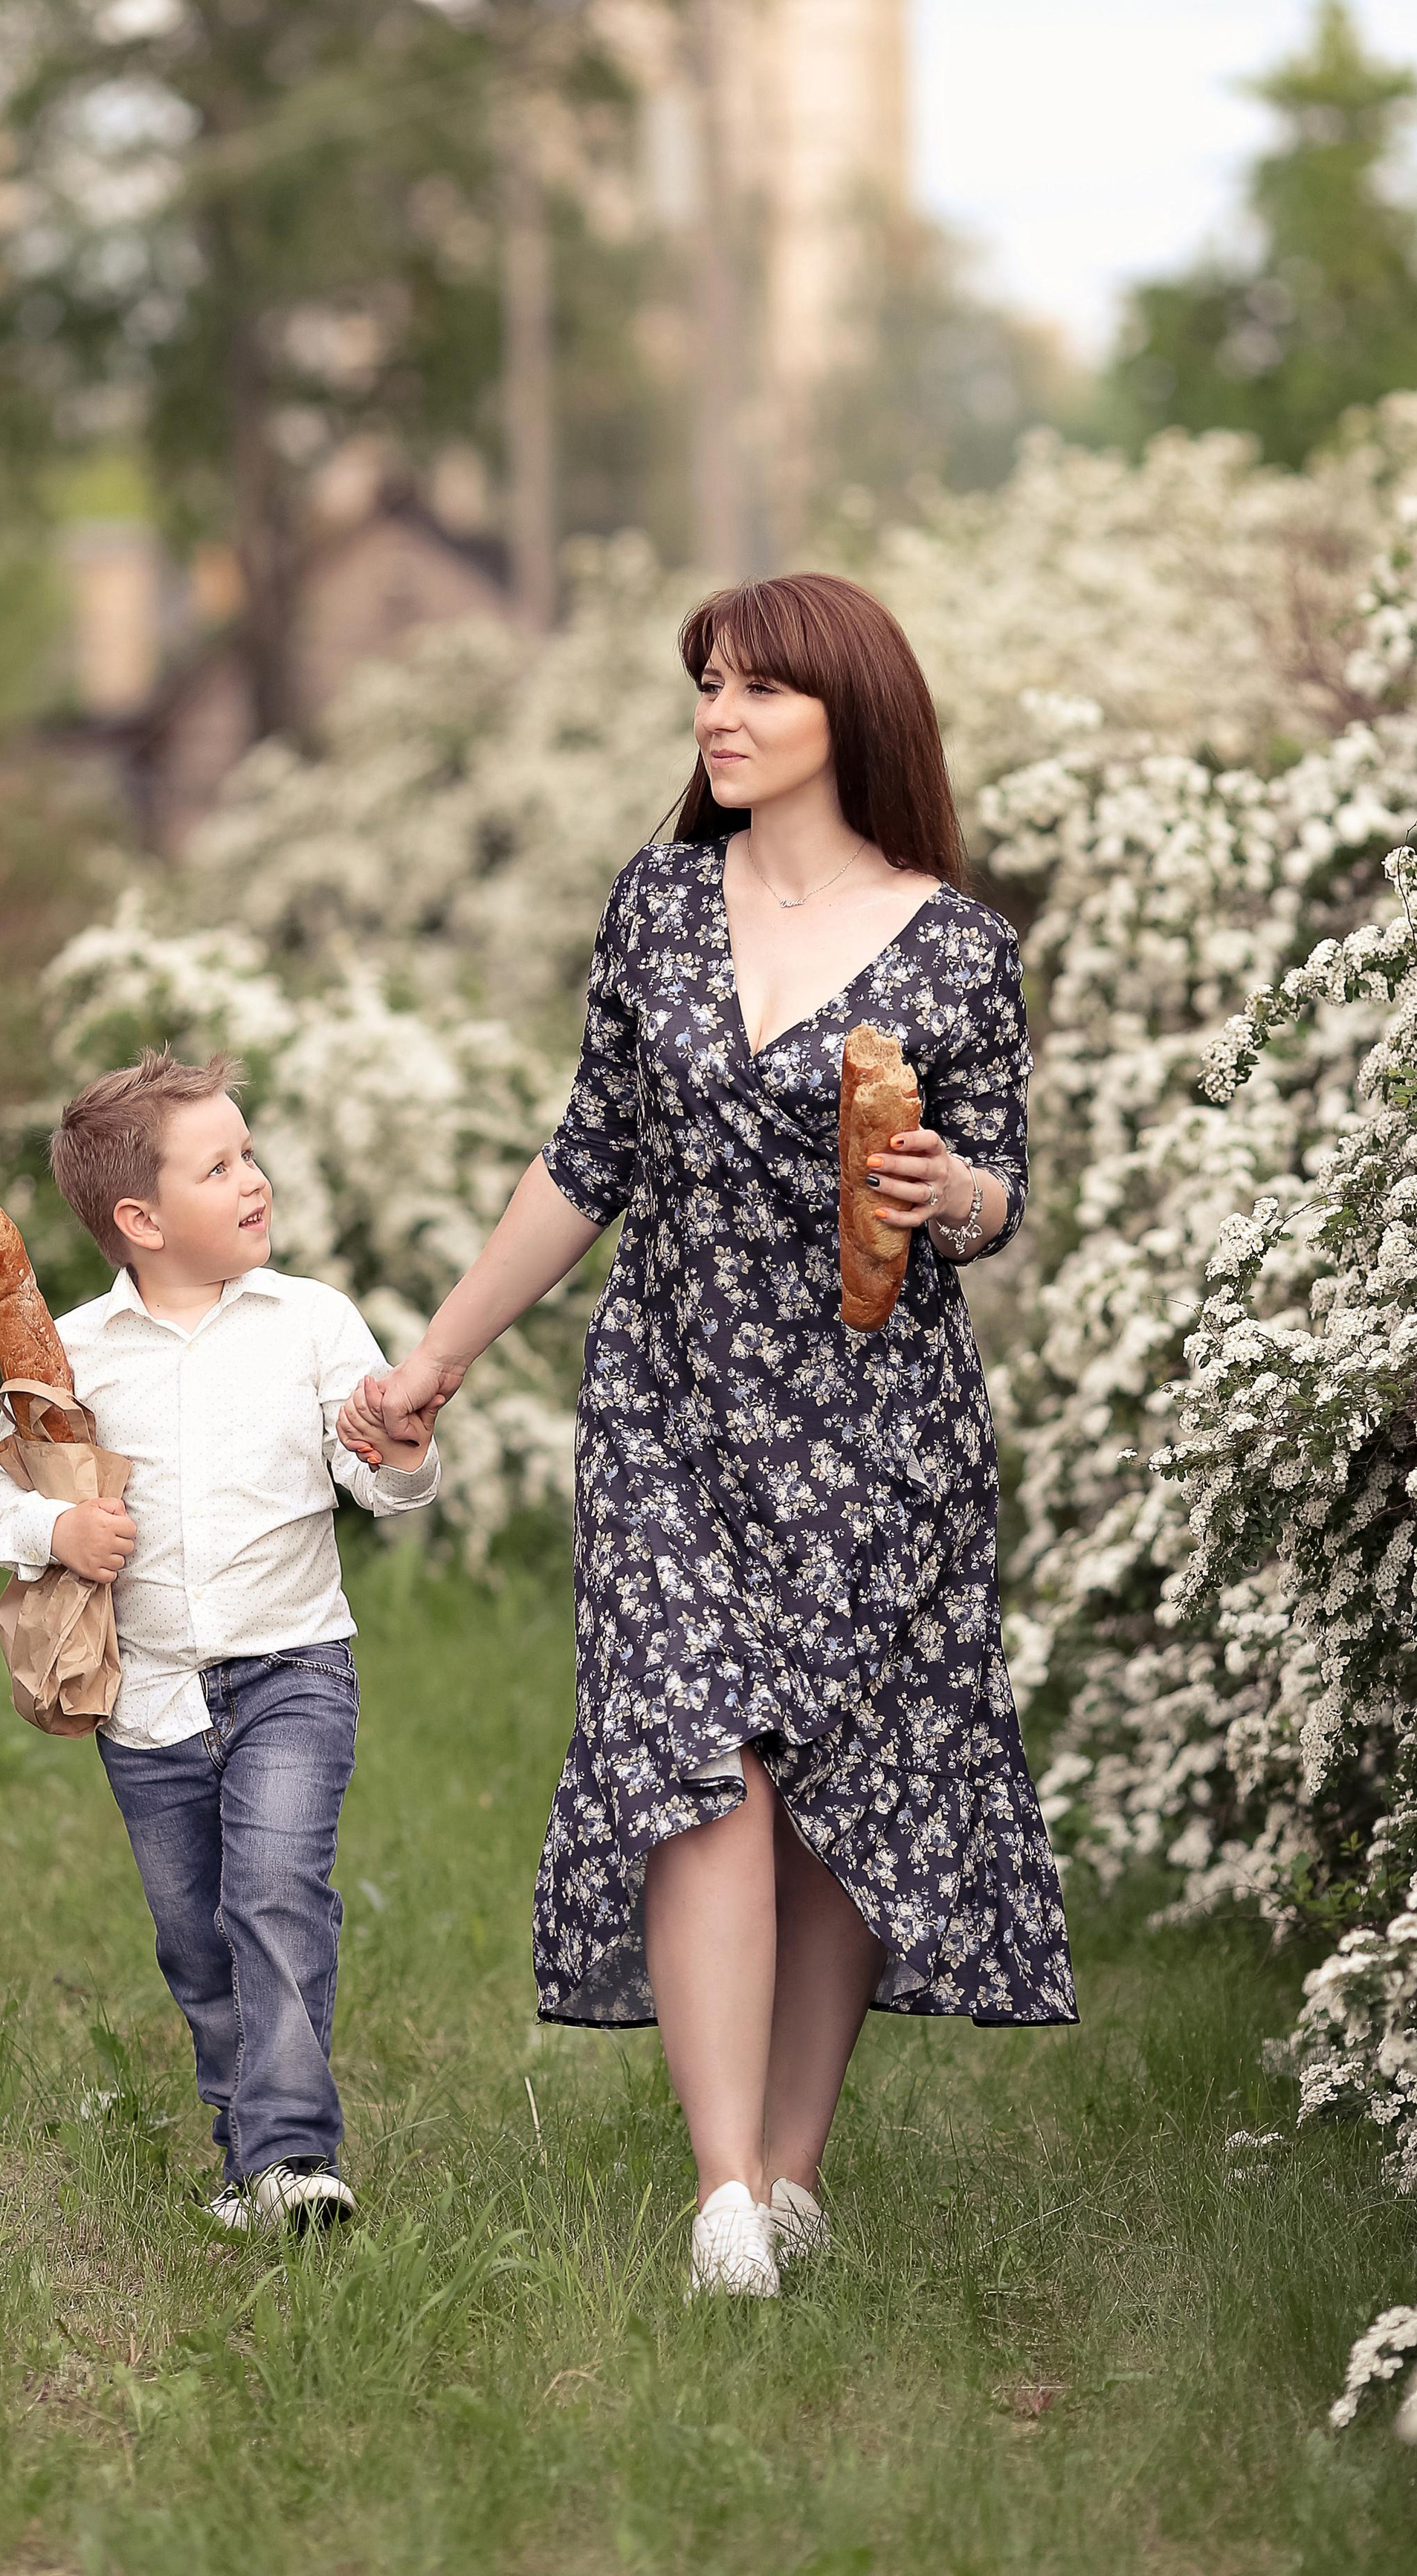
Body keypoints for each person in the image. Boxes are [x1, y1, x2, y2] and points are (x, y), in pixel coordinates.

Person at [338, 572, 1075, 2300]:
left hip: (870, 1422)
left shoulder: (958, 949)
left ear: (849, 715)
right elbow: (586, 1153)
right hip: (668, 1401)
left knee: (833, 1787)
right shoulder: (657, 905)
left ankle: (792, 2172)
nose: (716, 716)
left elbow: (997, 1196)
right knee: (697, 1760)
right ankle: (720, 2196)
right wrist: (435, 1356)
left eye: (754, 689)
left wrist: (948, 1190)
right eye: (706, 686)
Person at [0, 1046, 439, 2235]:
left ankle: (295, 2155)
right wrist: (58, 1526)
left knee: (276, 1897)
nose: (256, 1178)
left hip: (293, 1669)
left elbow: (377, 1481)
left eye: (251, 1152)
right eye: (219, 1164)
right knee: (197, 1941)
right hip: (147, 1702)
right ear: (139, 1219)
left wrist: (400, 1451)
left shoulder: (310, 1322)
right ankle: (249, 2164)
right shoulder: (75, 1352)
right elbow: (0, 1489)